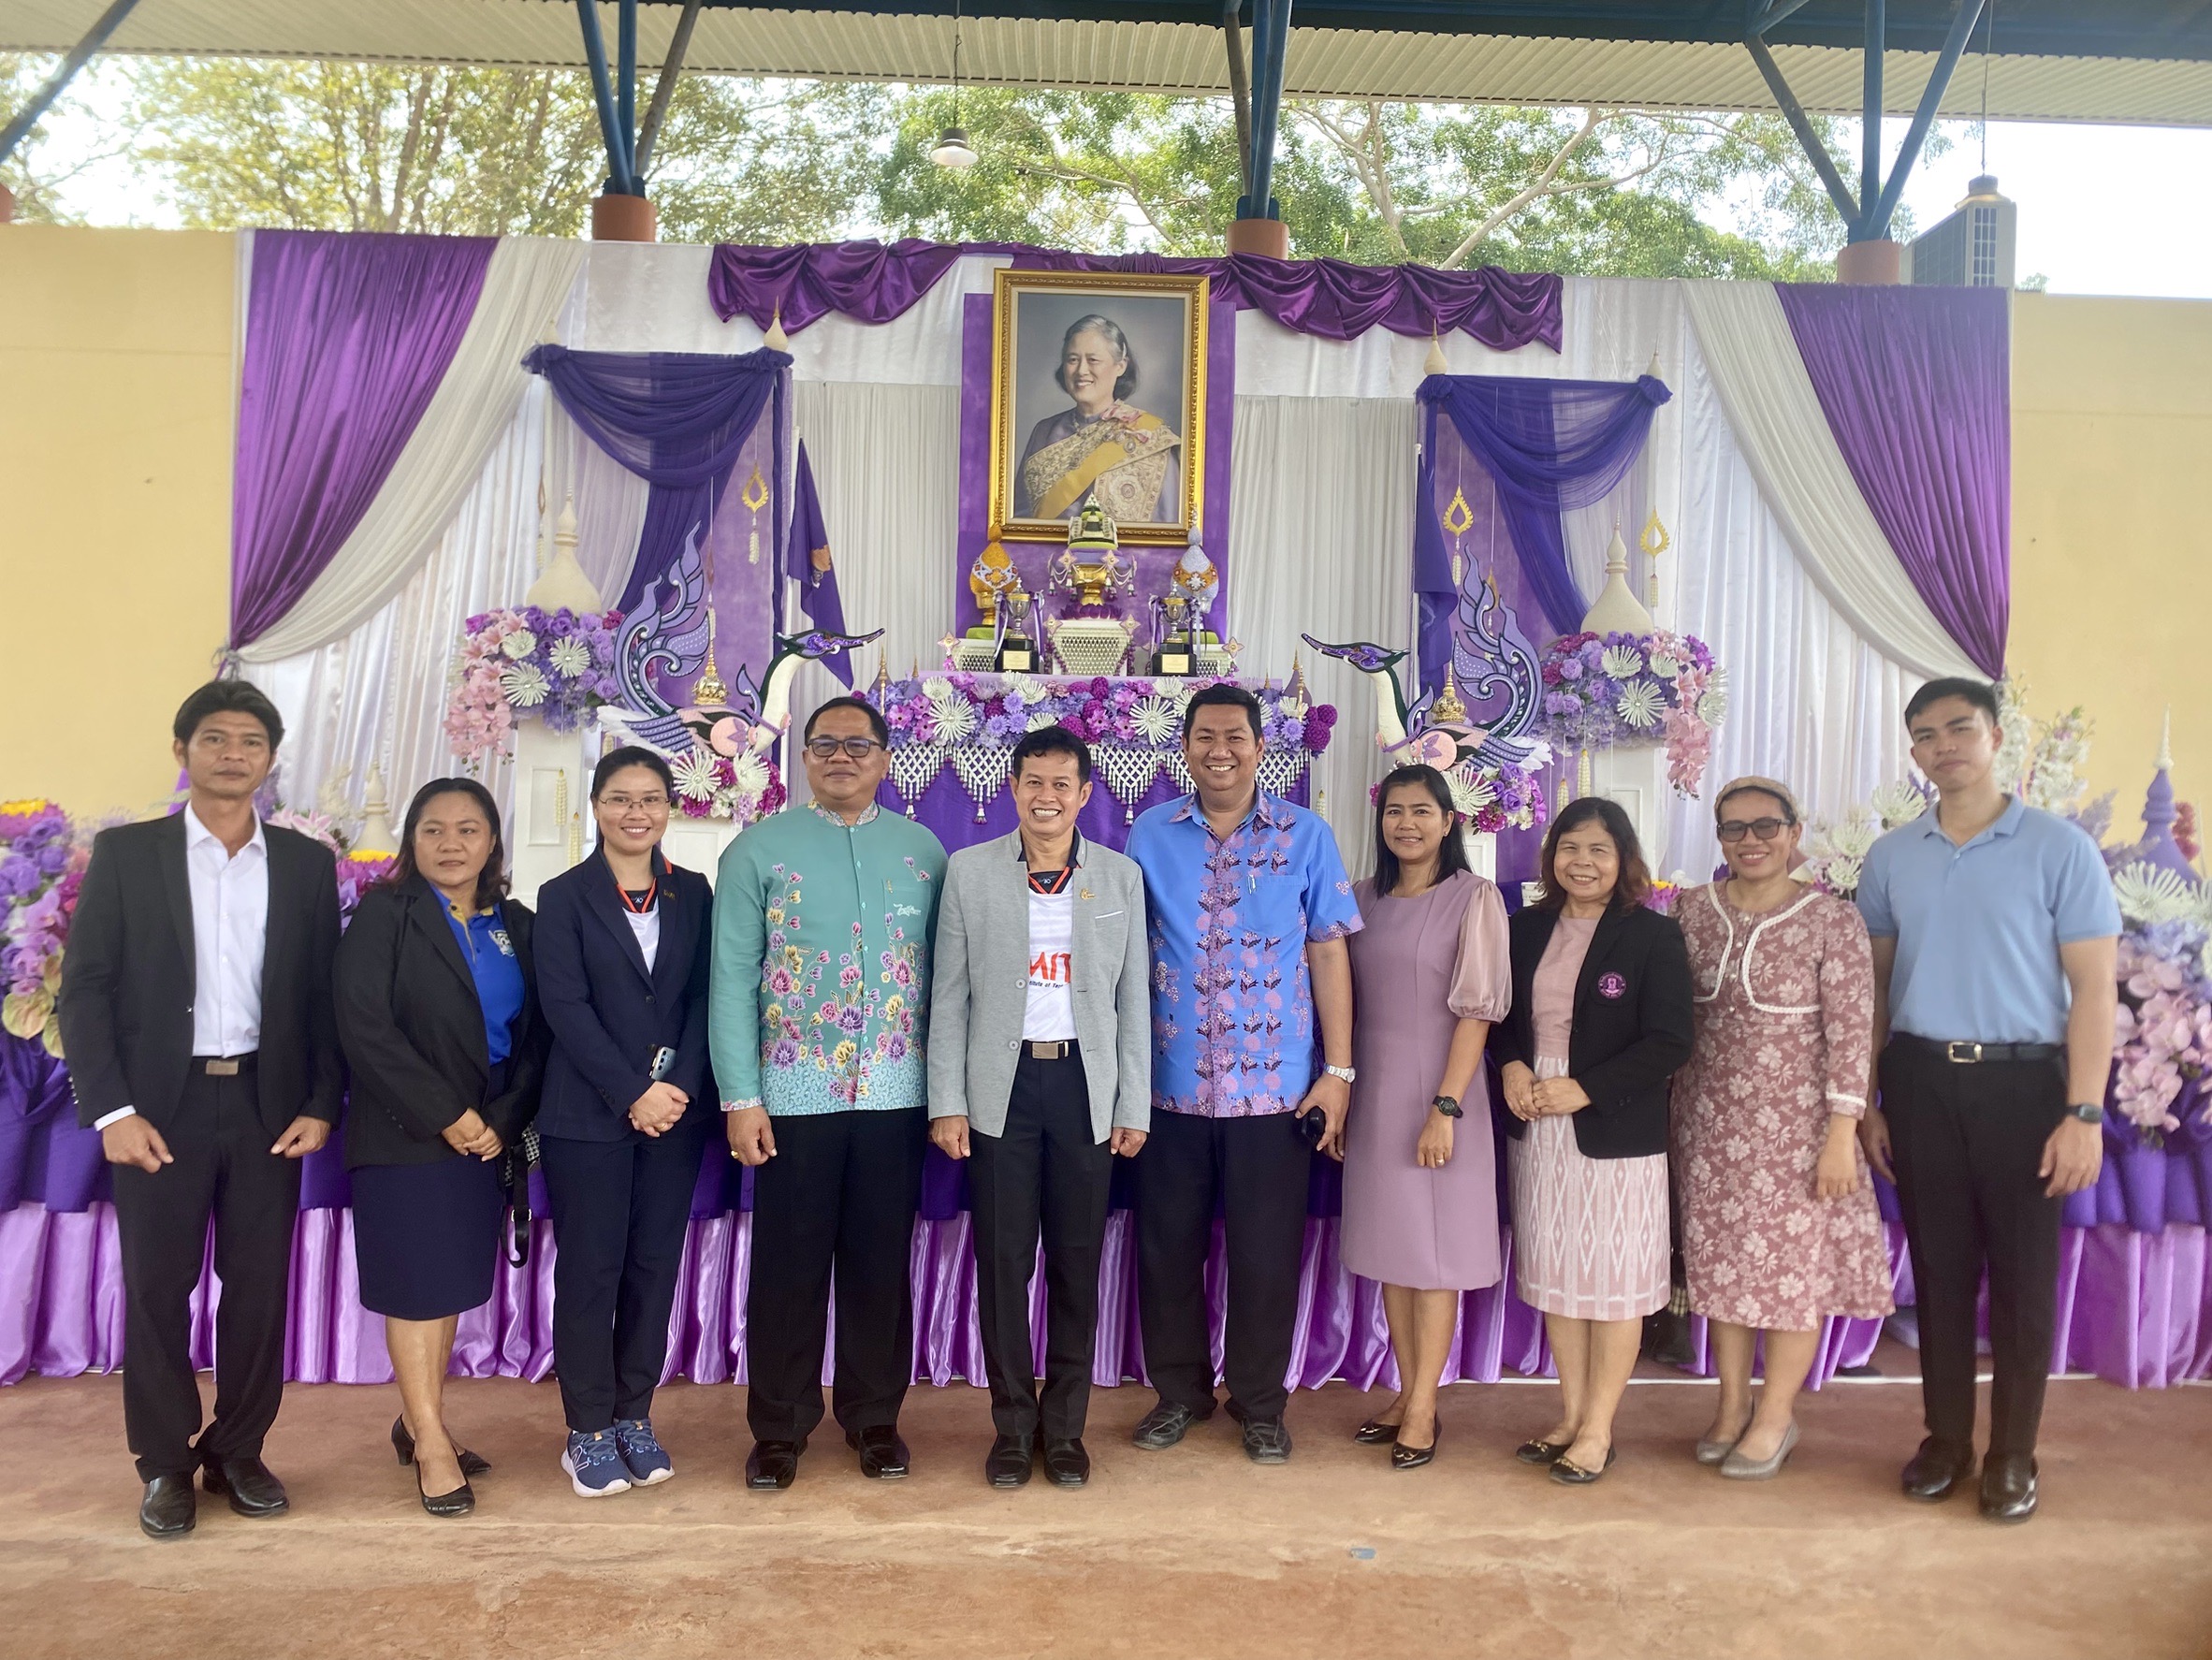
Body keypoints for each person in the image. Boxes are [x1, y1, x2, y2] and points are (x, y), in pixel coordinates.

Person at [57, 680, 343, 1540]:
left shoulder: (304, 865)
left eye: (250, 741)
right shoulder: (127, 855)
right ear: (181, 750)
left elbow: (323, 996)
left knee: (257, 1290)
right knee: (156, 1289)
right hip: (160, 1107)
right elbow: (85, 991)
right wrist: (112, 1110)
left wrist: (320, 1101)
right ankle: (163, 1463)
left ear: (270, 759)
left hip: (266, 1105)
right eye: (215, 738)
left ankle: (239, 1450)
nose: (232, 754)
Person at [1856, 678, 2119, 1523]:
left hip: (2025, 1085)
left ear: (1996, 736)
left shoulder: (2059, 848)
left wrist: (2084, 1113)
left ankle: (2012, 1453)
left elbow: (2095, 989)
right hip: (1920, 1080)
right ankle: (1945, 1440)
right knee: (1937, 1272)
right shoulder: (1892, 857)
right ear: (1913, 751)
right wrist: (1868, 1098)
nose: (1944, 746)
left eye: (1959, 728)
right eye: (1925, 735)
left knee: (2022, 1277)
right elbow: (1875, 987)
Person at [714, 694, 948, 1491]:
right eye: (824, 745)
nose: (841, 757)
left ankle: (874, 1420)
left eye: (857, 744)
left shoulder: (923, 851)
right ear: (804, 757)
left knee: (880, 1267)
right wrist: (741, 1096)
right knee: (789, 1269)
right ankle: (779, 1428)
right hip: (791, 1099)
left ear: (885, 757)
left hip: (895, 1095)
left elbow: (948, 981)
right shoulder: (757, 851)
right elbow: (731, 979)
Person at [1123, 683, 1361, 1463]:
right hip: (1168, 1086)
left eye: (1234, 737)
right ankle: (1179, 1394)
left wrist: (1338, 1072)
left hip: (1275, 1093)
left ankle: (1261, 1404)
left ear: (1260, 748)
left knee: (1264, 1258)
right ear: (1184, 746)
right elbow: (1121, 952)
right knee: (1167, 1252)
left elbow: (1329, 949)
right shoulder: (1149, 834)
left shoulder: (1305, 834)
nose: (1219, 750)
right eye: (1204, 736)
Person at [928, 726, 1152, 1489]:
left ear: (1085, 794)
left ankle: (1064, 1431)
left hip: (1086, 1089)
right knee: (1004, 1263)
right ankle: (1012, 1428)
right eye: (1033, 782)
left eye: (1061, 784)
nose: (1046, 797)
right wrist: (948, 1101)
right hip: (1002, 1090)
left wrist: (1133, 1104)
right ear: (1013, 789)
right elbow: (949, 997)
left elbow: (1133, 1002)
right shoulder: (970, 872)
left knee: (1076, 1265)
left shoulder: (1120, 877)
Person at [1672, 777, 1894, 1480]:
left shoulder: (1832, 920)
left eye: (1766, 826)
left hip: (1800, 1131)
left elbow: (1853, 1032)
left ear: (1794, 833)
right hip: (1707, 1126)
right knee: (1724, 1271)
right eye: (1734, 828)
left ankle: (1775, 1416)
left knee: (1792, 1277)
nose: (1751, 841)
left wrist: (1842, 1132)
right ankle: (1731, 1405)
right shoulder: (1690, 911)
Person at [336, 778, 545, 1519]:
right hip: (406, 1131)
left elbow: (537, 1037)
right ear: (411, 840)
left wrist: (500, 1119)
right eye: (433, 830)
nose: (450, 844)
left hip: (486, 1134)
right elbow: (363, 1025)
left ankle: (417, 1418)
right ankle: (430, 1441)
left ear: (492, 841)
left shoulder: (517, 923)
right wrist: (445, 1114)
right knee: (416, 1289)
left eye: (467, 829)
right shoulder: (384, 914)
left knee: (450, 1284)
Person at [1492, 796, 1693, 1486]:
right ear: (1552, 857)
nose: (1583, 862)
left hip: (1612, 1123)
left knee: (1613, 1282)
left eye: (1598, 850)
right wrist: (1512, 1064)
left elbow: (1671, 1040)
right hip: (1536, 1115)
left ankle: (1600, 1429)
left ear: (1623, 859)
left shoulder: (1652, 936)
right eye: (1570, 848)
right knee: (1559, 1276)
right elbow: (1499, 1017)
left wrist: (1587, 1088)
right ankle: (1571, 1415)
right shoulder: (1523, 927)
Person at [532, 748, 715, 1499]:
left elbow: (708, 996)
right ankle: (586, 1429)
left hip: (674, 1116)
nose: (635, 812)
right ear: (596, 807)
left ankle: (634, 1415)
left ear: (670, 808)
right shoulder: (563, 896)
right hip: (588, 1114)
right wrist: (631, 1091)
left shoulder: (693, 891)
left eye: (649, 799)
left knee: (652, 1267)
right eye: (619, 798)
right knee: (591, 1270)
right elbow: (564, 1007)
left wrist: (677, 1088)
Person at [1339, 764, 1511, 1470]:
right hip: (1375, 1093)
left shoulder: (1474, 898)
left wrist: (1446, 1106)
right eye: (1394, 811)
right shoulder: (1361, 899)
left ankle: (1423, 1406)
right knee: (1394, 1254)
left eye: (1421, 811)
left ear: (1448, 821)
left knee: (1434, 1260)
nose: (1406, 823)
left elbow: (1478, 1013)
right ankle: (1408, 1393)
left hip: (1443, 1095)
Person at [1013, 313, 1182, 525]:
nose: (1081, 370)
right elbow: (1019, 519)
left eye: (1093, 360)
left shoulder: (1149, 436)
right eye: (1072, 360)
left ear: (1120, 366)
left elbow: (1169, 526)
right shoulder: (1044, 431)